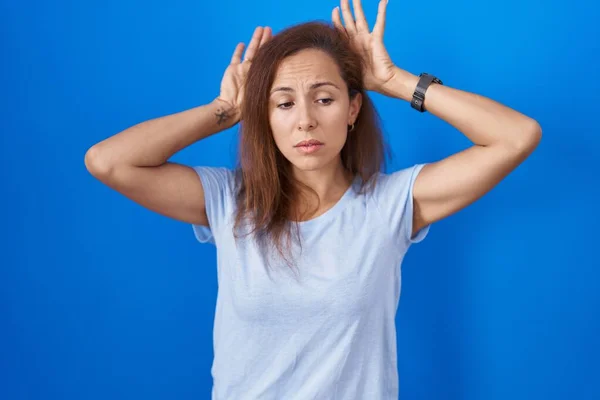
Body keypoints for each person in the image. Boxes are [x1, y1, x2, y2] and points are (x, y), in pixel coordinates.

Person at [85, 0, 541, 398]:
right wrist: (224, 111)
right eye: (283, 104)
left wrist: (396, 82)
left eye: (324, 99)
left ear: (353, 109)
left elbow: (516, 136)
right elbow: (108, 161)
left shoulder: (390, 205)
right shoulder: (229, 200)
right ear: (264, 116)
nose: (305, 121)